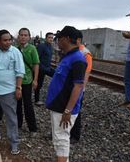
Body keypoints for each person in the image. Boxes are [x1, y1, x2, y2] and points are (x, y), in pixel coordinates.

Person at [45, 26, 87, 162]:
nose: (58, 41)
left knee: (61, 139)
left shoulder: (78, 59)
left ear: (67, 39)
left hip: (64, 108)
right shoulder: (68, 56)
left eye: (60, 39)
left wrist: (68, 110)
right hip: (59, 105)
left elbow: (78, 86)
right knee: (58, 139)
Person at [70, 30, 93, 143]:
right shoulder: (72, 51)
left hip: (77, 88)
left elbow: (86, 73)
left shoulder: (85, 53)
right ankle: (66, 132)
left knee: (76, 111)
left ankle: (75, 135)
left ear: (78, 40)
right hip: (69, 86)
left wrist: (81, 90)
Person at [16, 27, 39, 136]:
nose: (23, 37)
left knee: (28, 104)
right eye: (21, 35)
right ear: (18, 36)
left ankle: (32, 128)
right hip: (16, 82)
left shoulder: (32, 49)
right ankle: (18, 125)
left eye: (26, 35)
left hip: (27, 81)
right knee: (17, 104)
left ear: (29, 37)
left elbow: (36, 64)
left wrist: (35, 79)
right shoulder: (15, 49)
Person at [35, 32, 55, 105]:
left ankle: (55, 96)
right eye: (49, 37)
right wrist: (41, 67)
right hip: (41, 69)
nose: (51, 39)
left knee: (57, 75)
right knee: (39, 84)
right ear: (46, 38)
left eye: (52, 38)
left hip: (47, 67)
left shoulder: (50, 46)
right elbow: (37, 59)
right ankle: (37, 100)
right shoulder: (41, 46)